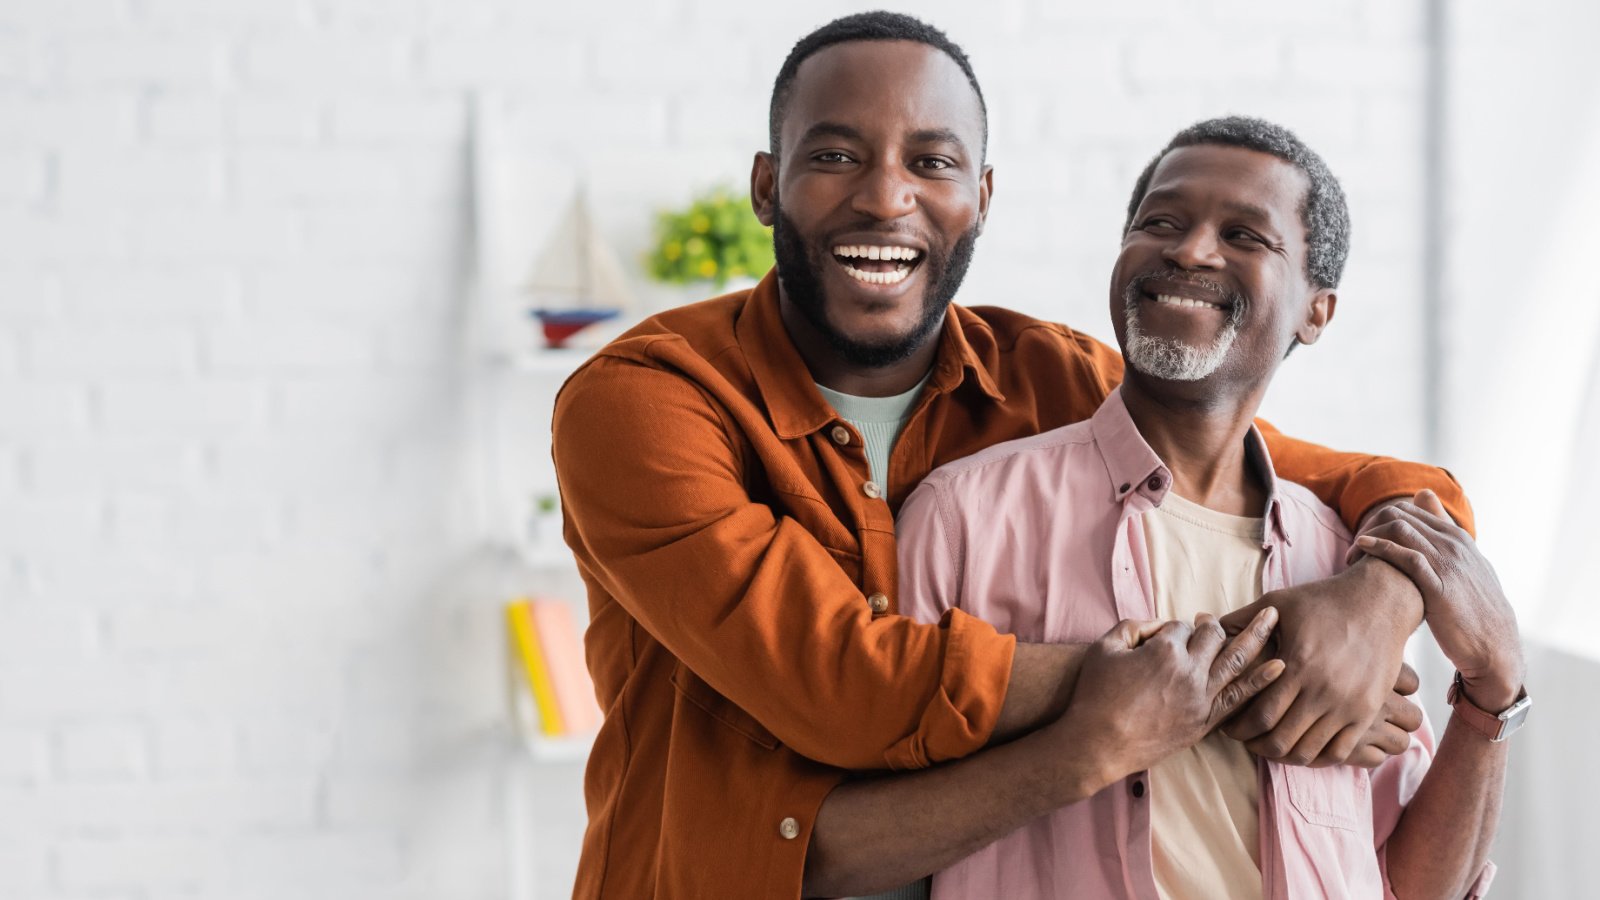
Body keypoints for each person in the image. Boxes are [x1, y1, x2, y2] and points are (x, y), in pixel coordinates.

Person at [552, 13, 1473, 899]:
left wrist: (1376, 603)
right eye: (834, 156)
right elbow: (841, 685)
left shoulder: (1048, 378)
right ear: (766, 186)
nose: (884, 195)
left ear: (982, 197)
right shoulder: (644, 402)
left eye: (933, 163)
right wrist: (1251, 668)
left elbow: (1370, 482)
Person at [873, 117, 1523, 899]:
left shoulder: (1347, 564)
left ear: (1317, 312)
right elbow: (867, 833)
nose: (1190, 250)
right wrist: (1086, 740)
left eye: (1246, 235)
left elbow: (1416, 886)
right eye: (1160, 223)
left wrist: (1495, 692)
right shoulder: (965, 516)